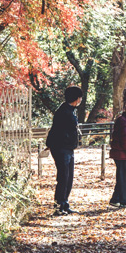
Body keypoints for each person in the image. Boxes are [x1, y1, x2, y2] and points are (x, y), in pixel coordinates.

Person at [44, 85, 83, 215]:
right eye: (80, 97)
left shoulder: (70, 110)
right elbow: (57, 130)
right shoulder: (64, 111)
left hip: (67, 148)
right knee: (63, 177)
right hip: (61, 148)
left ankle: (64, 204)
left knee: (68, 177)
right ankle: (59, 205)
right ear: (77, 98)